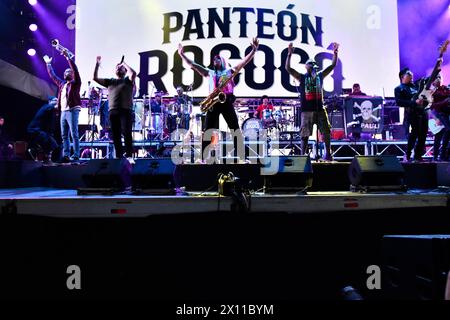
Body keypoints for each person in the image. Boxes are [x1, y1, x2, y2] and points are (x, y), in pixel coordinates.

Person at [177, 38, 259, 161]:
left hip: (226, 101)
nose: (215, 60)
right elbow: (192, 64)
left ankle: (242, 157)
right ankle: (203, 158)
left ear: (223, 61)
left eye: (217, 58)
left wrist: (253, 50)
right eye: (214, 59)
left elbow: (244, 63)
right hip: (213, 102)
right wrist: (182, 54)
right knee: (207, 130)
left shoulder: (229, 71)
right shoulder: (209, 72)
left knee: (235, 129)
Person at [285, 42, 340, 161]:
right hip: (307, 111)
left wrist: (335, 53)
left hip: (320, 109)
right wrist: (289, 55)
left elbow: (332, 66)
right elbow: (288, 68)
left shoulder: (320, 76)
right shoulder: (302, 77)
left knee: (326, 132)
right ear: (306, 67)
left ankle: (328, 154)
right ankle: (303, 156)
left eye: (314, 65)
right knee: (304, 135)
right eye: (311, 65)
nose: (313, 66)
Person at [394, 62, 442, 162]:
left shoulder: (416, 85)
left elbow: (429, 78)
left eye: (411, 74)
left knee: (423, 134)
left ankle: (417, 156)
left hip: (423, 111)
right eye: (408, 74)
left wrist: (437, 68)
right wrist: (413, 102)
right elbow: (399, 102)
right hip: (411, 112)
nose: (411, 75)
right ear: (402, 76)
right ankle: (407, 154)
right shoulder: (399, 88)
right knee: (415, 133)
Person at [93, 56, 137, 163]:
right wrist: (97, 65)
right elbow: (95, 78)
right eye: (117, 67)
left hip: (126, 110)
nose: (118, 68)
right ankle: (118, 156)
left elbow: (134, 73)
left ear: (125, 71)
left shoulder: (128, 80)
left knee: (127, 133)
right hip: (113, 111)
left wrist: (124, 63)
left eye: (120, 68)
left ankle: (129, 156)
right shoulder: (110, 81)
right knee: (116, 135)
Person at [43, 50, 81, 163]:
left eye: (69, 71)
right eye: (65, 72)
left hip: (72, 110)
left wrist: (68, 58)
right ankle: (66, 155)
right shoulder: (62, 85)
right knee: (64, 135)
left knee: (74, 133)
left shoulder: (76, 83)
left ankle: (76, 155)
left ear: (73, 74)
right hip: (63, 111)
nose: (66, 73)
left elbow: (75, 70)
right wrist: (48, 64)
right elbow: (53, 76)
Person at [27, 97, 59, 164]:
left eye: (57, 100)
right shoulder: (47, 107)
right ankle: (35, 151)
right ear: (49, 101)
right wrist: (55, 108)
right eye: (55, 100)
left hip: (38, 130)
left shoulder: (49, 110)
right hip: (34, 130)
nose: (57, 101)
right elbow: (50, 109)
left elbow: (49, 123)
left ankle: (43, 156)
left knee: (53, 144)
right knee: (51, 143)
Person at [430, 73, 450, 161]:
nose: (439, 79)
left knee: (443, 134)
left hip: (447, 114)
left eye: (440, 77)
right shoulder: (431, 92)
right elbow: (430, 106)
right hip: (439, 114)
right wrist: (435, 118)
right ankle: (437, 156)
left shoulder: (446, 89)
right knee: (440, 135)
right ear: (433, 80)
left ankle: (443, 155)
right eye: (436, 77)